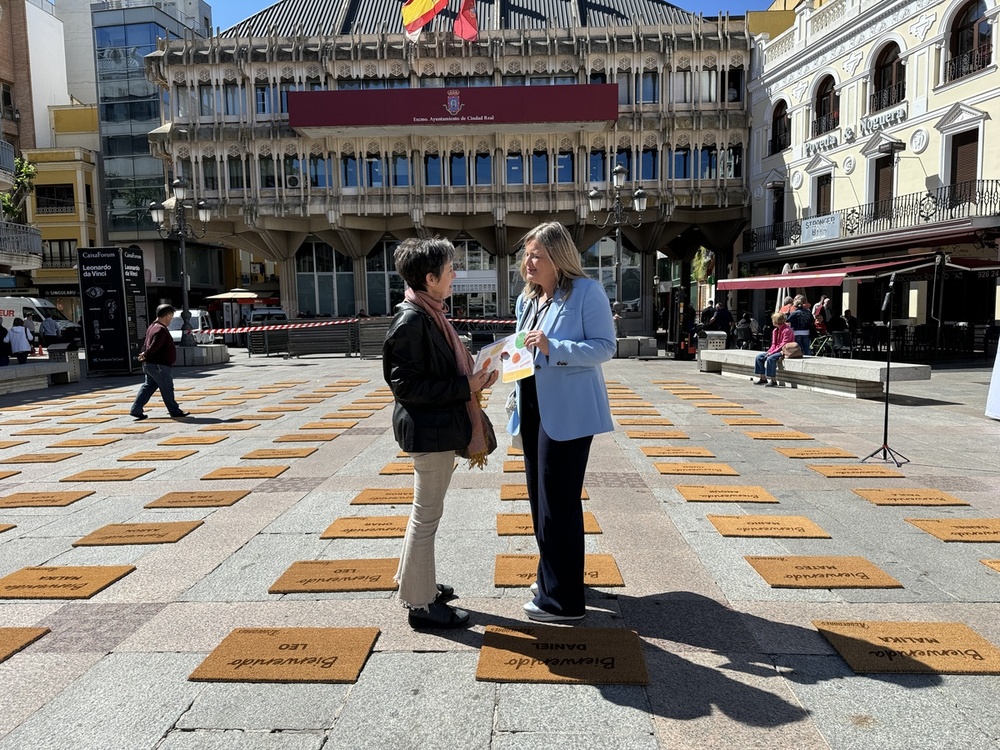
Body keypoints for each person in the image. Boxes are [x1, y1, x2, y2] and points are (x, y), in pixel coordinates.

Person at [383, 237, 498, 630]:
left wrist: (474, 379)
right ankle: (420, 603)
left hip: (436, 428)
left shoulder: (429, 313)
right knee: (426, 517)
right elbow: (408, 387)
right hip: (428, 431)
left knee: (424, 515)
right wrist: (466, 385)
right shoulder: (412, 321)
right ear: (430, 278)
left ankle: (415, 580)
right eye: (450, 269)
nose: (455, 274)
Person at [507, 222, 617, 623]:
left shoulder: (587, 292)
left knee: (559, 503)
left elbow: (605, 347)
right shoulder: (528, 300)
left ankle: (564, 602)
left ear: (558, 257)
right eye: (527, 254)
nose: (528, 262)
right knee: (541, 503)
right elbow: (521, 353)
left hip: (570, 412)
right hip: (533, 409)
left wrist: (555, 348)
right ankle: (554, 577)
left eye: (536, 255)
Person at [130, 304, 190, 420]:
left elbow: (146, 343)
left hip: (150, 364)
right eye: (171, 317)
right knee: (167, 387)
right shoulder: (161, 329)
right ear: (167, 316)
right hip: (159, 365)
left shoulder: (152, 326)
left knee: (148, 386)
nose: (171, 320)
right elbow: (154, 346)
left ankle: (136, 409)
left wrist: (143, 354)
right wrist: (146, 354)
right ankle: (174, 411)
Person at [753, 312, 794, 387]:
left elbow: (783, 344)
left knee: (770, 358)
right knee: (759, 357)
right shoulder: (775, 330)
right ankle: (762, 378)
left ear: (776, 321)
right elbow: (774, 344)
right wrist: (770, 351)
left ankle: (773, 380)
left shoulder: (787, 330)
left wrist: (772, 353)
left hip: (784, 350)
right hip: (775, 350)